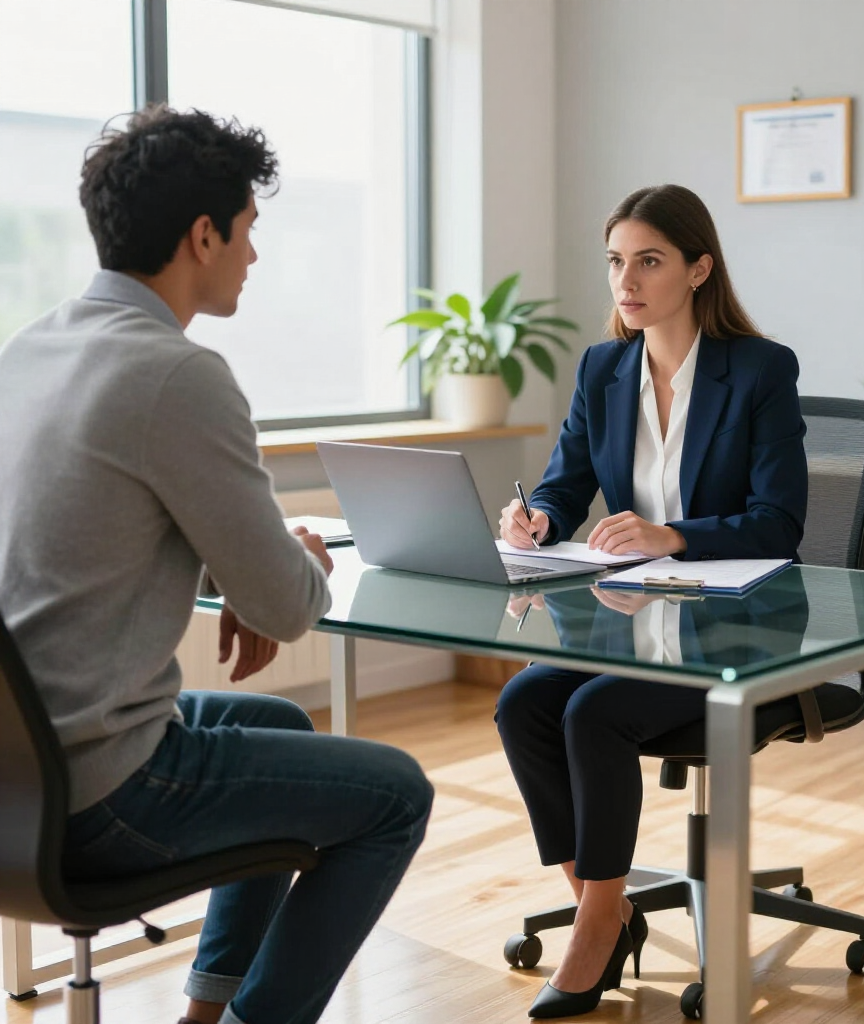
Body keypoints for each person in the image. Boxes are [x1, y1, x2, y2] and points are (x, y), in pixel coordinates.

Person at [0, 105, 433, 1024]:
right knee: (396, 794)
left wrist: (227, 567)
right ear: (204, 234)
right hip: (99, 791)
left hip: (16, 769)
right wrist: (293, 558)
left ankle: (208, 1009)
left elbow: (84, 536)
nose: (254, 255)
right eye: (248, 230)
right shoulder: (176, 374)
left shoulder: (31, 350)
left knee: (278, 722)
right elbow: (285, 607)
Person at [496, 184, 808, 1019]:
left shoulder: (760, 370)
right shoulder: (604, 369)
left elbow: (779, 524)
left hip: (741, 630)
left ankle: (597, 926)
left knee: (591, 712)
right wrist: (538, 517)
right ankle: (605, 901)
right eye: (615, 262)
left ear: (698, 269)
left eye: (648, 261)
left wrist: (675, 535)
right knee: (525, 700)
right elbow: (566, 483)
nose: (625, 281)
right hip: (640, 619)